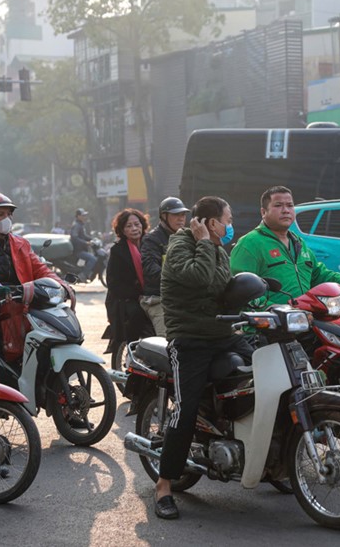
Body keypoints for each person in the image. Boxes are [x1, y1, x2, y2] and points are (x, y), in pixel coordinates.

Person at [153, 196, 254, 520]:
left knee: (264, 368)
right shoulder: (181, 244)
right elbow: (198, 278)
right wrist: (204, 244)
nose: (229, 225)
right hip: (191, 341)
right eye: (227, 219)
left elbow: (221, 286)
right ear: (211, 223)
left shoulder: (217, 248)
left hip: (222, 335)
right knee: (186, 410)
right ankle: (164, 485)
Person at [0, 192, 69, 366]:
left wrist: (61, 284)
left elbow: (40, 268)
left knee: (49, 326)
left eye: (8, 214)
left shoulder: (21, 243)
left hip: (22, 299)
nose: (6, 219)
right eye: (0, 215)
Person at [229, 185, 340, 305]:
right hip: (267, 326)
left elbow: (317, 273)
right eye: (278, 205)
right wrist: (274, 309)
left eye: (290, 205)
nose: (285, 210)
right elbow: (241, 291)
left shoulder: (297, 242)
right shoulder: (250, 243)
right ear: (263, 212)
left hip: (300, 321)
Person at [139, 197, 191, 337]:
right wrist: (175, 280)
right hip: (158, 299)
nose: (180, 219)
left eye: (183, 215)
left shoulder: (188, 237)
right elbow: (150, 267)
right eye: (176, 215)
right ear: (163, 216)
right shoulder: (152, 239)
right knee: (167, 340)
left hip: (183, 296)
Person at [104, 208, 151, 354]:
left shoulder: (150, 244)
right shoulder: (118, 251)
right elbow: (113, 282)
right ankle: (133, 352)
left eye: (137, 224)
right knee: (136, 314)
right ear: (122, 231)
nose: (134, 229)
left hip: (150, 293)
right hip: (124, 298)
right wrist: (137, 294)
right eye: (129, 226)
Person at [70, 208, 97, 282]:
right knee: (93, 259)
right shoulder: (76, 225)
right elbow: (74, 238)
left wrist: (93, 239)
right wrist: (86, 243)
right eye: (83, 215)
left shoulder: (80, 225)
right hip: (78, 250)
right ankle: (83, 275)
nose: (85, 217)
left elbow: (84, 236)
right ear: (78, 216)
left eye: (85, 215)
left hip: (82, 249)